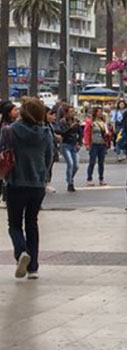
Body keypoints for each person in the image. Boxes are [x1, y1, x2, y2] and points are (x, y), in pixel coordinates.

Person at [4, 97, 54, 279]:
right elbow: (49, 157)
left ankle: (21, 252)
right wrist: (43, 175)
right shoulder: (45, 132)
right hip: (37, 184)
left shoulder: (10, 131)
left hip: (15, 182)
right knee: (32, 223)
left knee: (14, 224)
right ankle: (33, 267)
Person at [55, 106, 81, 193]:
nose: (72, 113)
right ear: (66, 113)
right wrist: (70, 127)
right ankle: (70, 183)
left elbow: (80, 132)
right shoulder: (62, 122)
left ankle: (70, 177)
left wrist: (79, 142)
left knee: (76, 165)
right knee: (70, 163)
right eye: (70, 112)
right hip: (65, 144)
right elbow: (61, 133)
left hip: (73, 145)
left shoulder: (75, 121)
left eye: (73, 111)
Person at [83, 107, 109, 186]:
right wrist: (87, 143)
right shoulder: (90, 122)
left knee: (101, 162)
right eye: (98, 112)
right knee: (92, 161)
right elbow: (87, 133)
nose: (100, 113)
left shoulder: (103, 122)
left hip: (102, 143)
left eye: (101, 112)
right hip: (94, 143)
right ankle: (89, 178)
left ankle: (101, 178)